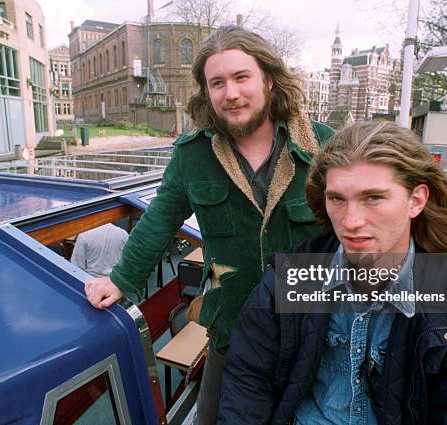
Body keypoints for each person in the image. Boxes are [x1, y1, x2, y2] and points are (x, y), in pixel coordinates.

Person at [84, 25, 334, 424]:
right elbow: (160, 220)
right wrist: (120, 280)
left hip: (309, 326)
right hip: (231, 328)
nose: (230, 93)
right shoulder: (193, 155)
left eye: (241, 77)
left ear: (268, 79)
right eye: (217, 82)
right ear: (206, 91)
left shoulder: (321, 147)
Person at [219, 121, 447, 424]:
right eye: (337, 199)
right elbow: (248, 382)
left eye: (373, 198)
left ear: (416, 200)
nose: (350, 221)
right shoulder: (289, 279)